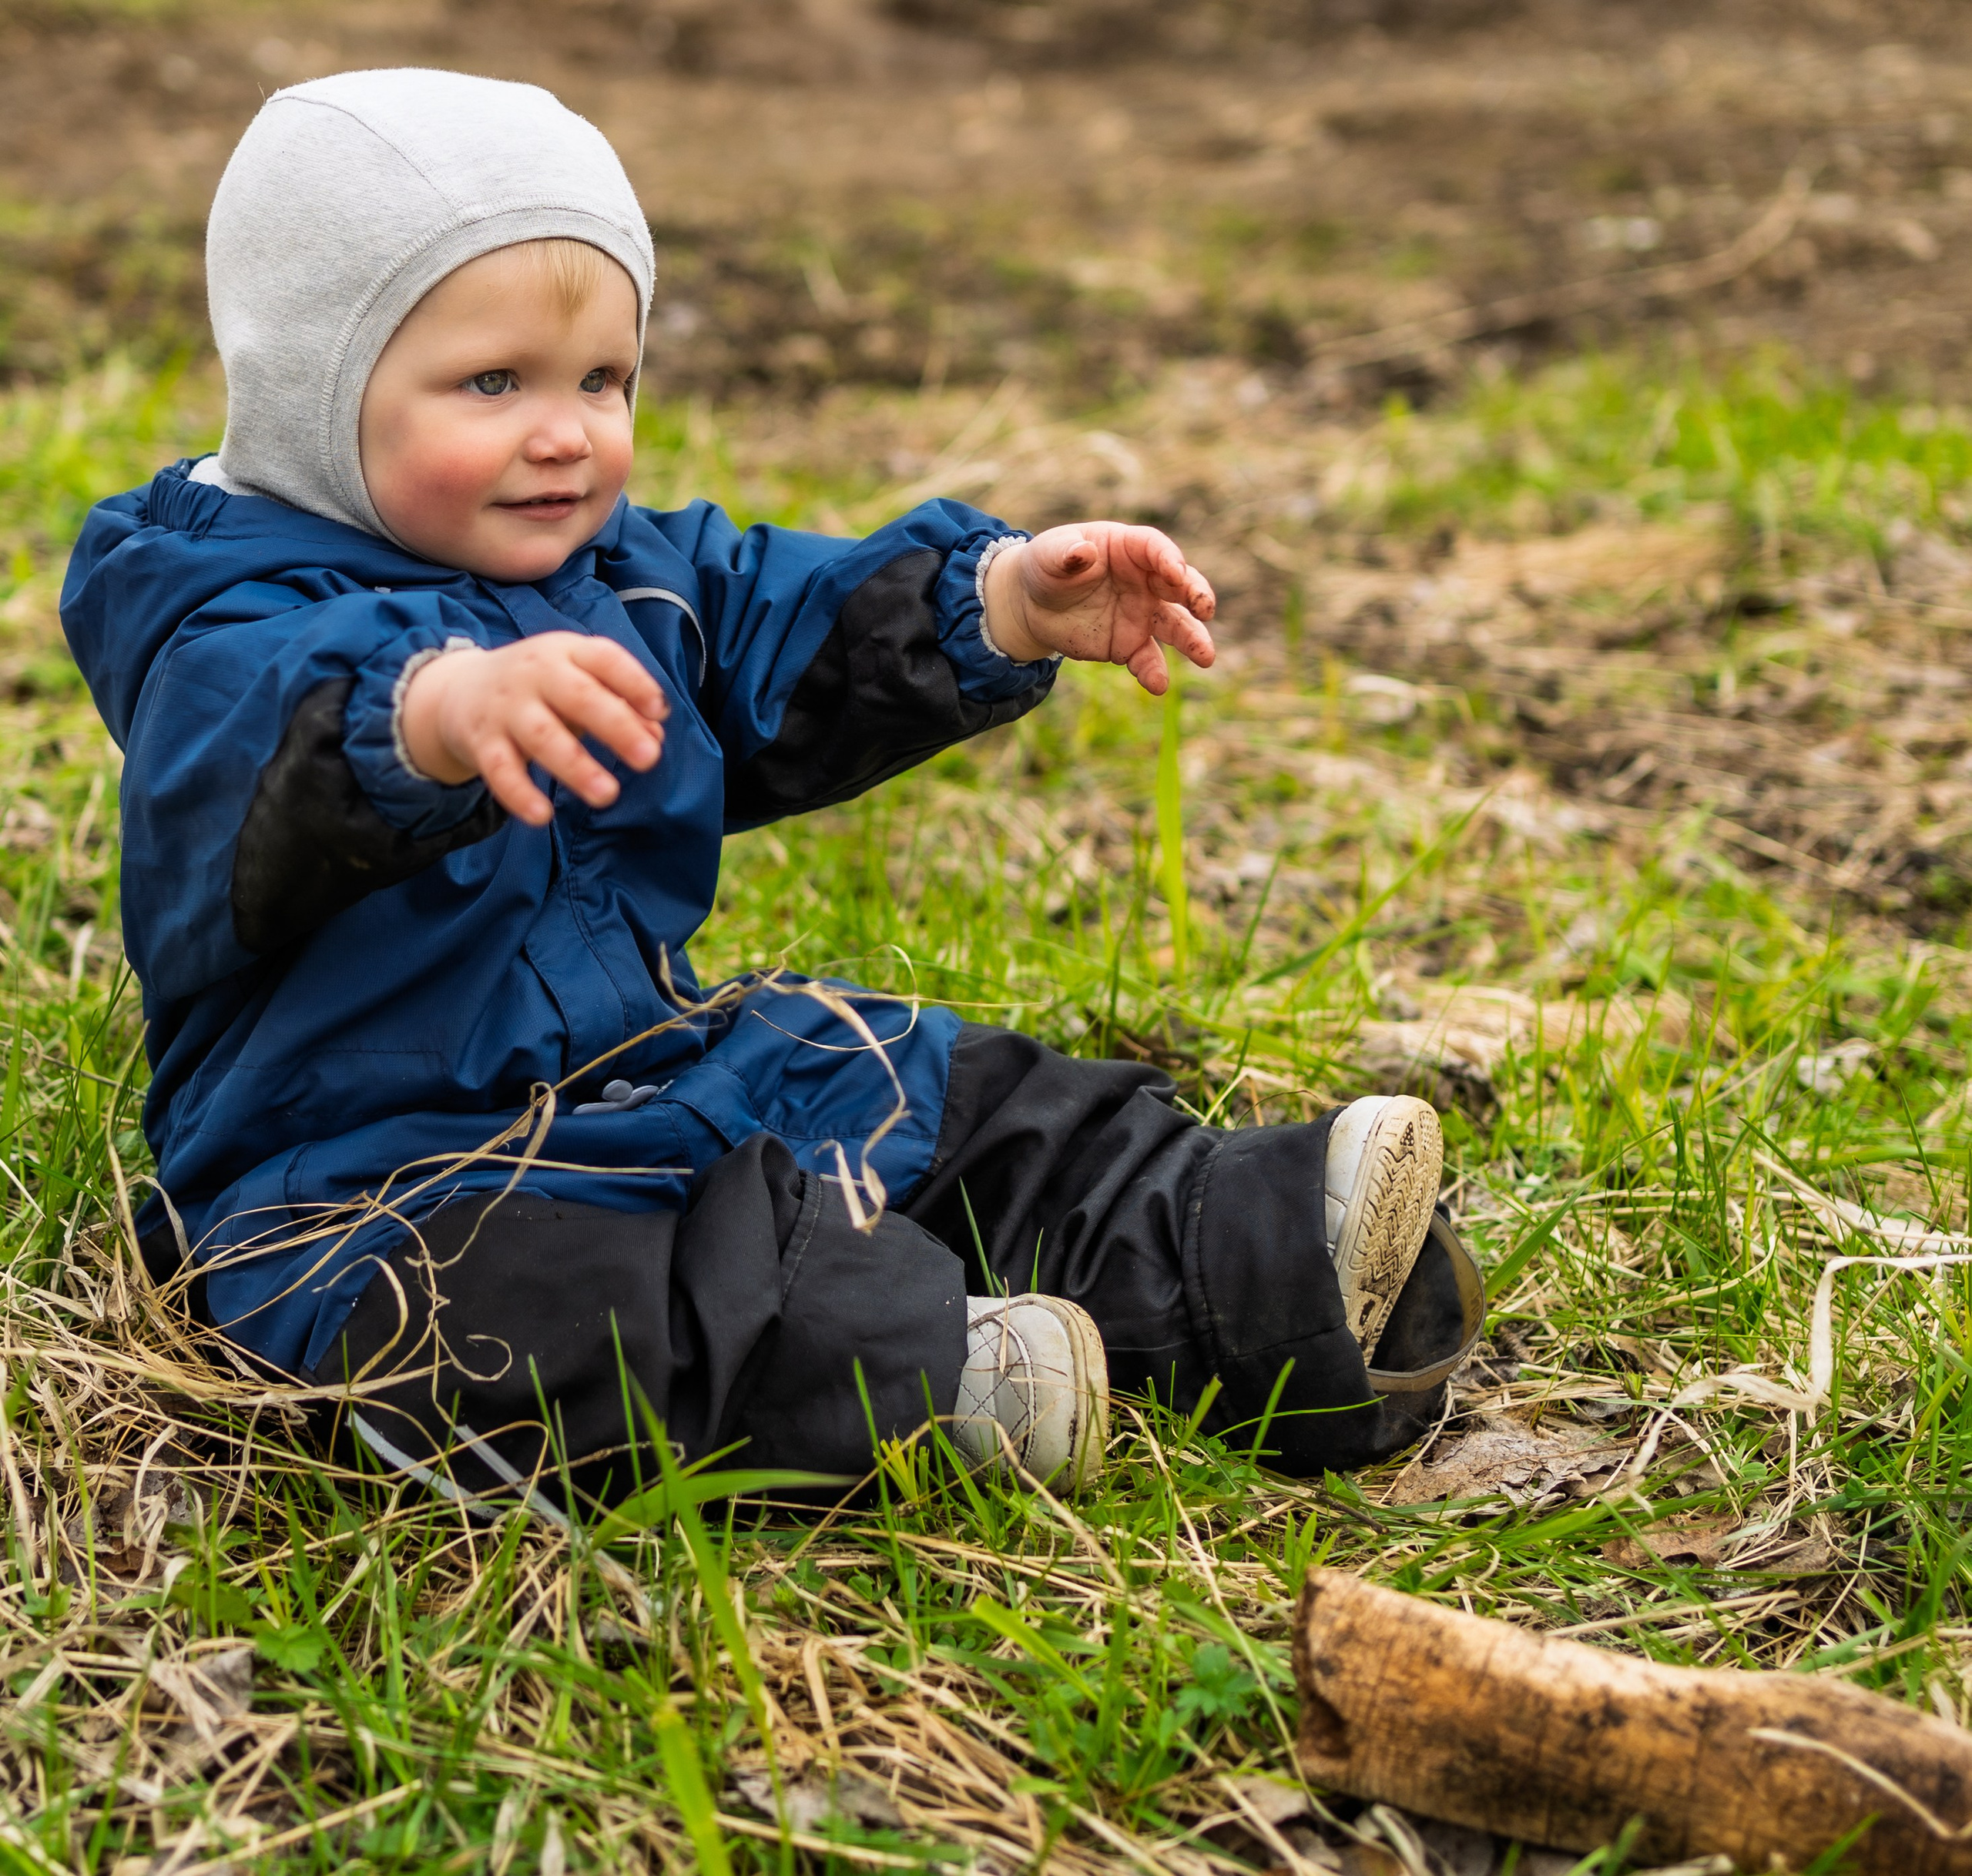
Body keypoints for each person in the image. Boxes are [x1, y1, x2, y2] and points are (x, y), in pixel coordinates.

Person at [61, 68, 1474, 1511]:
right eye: (495, 383)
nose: (567, 433)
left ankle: (1257, 1255)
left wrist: (998, 602)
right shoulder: (215, 621)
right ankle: (936, 1380)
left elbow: (780, 625)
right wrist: (426, 718)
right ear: (315, 387)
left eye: (602, 379)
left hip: (659, 1073)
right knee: (532, 1321)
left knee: (952, 1097)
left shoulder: (612, 571)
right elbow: (267, 738)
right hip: (377, 1188)